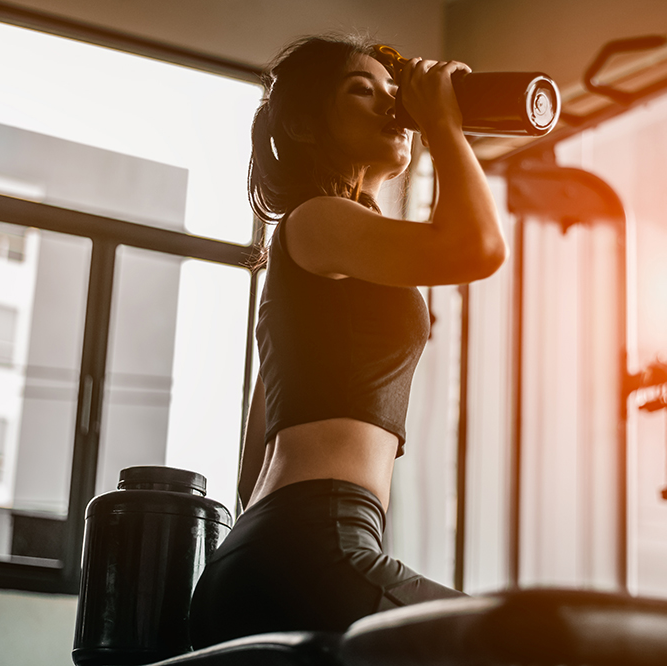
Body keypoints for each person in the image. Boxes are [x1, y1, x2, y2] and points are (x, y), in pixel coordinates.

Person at [188, 34, 506, 647]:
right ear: (306, 127)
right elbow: (480, 246)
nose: (393, 108)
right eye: (364, 92)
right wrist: (443, 122)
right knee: (525, 642)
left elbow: (263, 441)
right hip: (310, 542)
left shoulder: (333, 248)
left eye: (397, 95)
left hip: (279, 551)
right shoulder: (315, 219)